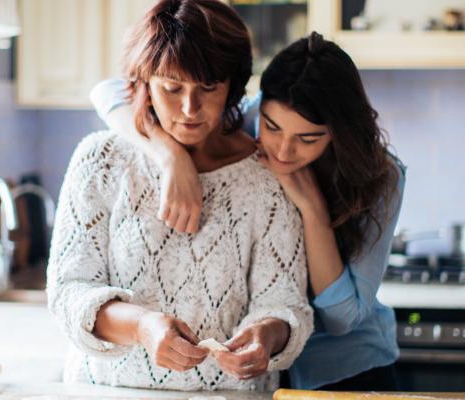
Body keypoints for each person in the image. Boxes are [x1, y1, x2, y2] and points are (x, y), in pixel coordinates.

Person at [90, 31, 405, 391]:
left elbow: (342, 319)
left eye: (308, 138)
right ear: (260, 106)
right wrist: (169, 157)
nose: (284, 150)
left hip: (344, 370)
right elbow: (109, 92)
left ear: (337, 133)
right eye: (272, 127)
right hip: (254, 375)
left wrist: (313, 211)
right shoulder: (243, 120)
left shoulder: (381, 176)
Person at [47, 0, 313, 392]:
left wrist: (266, 336)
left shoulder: (266, 177)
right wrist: (141, 326)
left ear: (233, 87)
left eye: (209, 88)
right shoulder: (101, 160)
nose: (190, 109)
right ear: (144, 85)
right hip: (107, 391)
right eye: (172, 88)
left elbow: (287, 304)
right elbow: (69, 291)